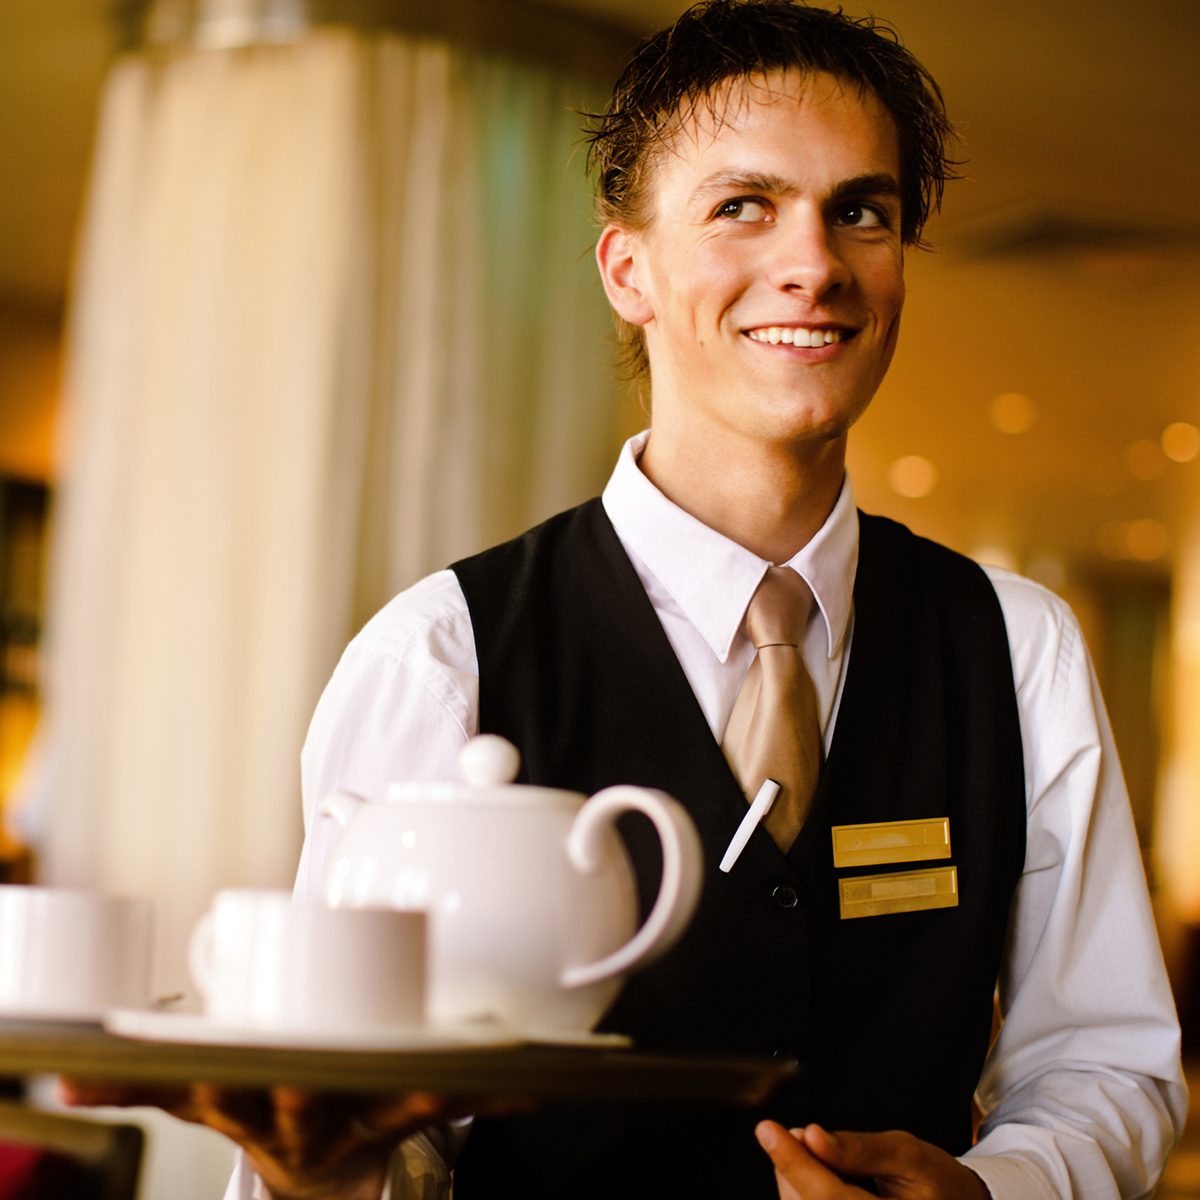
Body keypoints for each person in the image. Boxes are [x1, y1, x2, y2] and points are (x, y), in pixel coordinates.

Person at [68, 2, 1187, 1198]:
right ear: (629, 270)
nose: (812, 263)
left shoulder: (1018, 649)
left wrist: (997, 1188)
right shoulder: (441, 658)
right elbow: (363, 1121)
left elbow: (1106, 1060)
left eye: (860, 210)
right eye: (742, 207)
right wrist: (323, 1177)